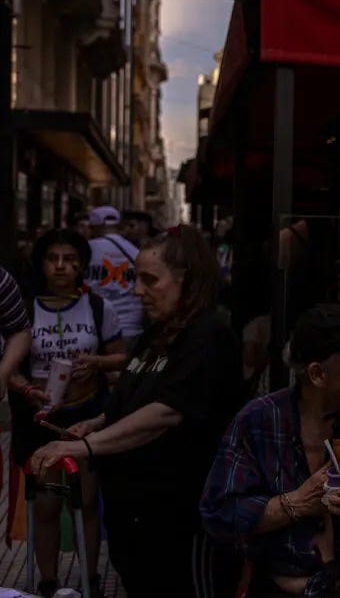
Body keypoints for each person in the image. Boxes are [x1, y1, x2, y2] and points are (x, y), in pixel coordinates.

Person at [31, 225, 244, 598]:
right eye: (135, 279)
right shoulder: (155, 335)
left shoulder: (207, 336)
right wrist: (96, 422)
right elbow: (136, 396)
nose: (137, 291)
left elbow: (166, 413)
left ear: (187, 280)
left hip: (181, 519)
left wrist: (86, 447)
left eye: (149, 280)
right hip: (136, 517)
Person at [202, 304, 340, 597]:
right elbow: (219, 514)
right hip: (288, 588)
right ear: (318, 374)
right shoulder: (260, 420)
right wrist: (297, 502)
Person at [8, 230, 124, 598]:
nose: (61, 266)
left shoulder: (98, 307)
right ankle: (47, 582)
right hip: (39, 420)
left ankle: (90, 579)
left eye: (70, 259)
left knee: (87, 501)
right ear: (41, 263)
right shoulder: (23, 310)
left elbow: (124, 357)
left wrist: (98, 364)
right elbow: (6, 366)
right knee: (45, 504)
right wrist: (28, 389)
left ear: (82, 265)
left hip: (84, 417)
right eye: (52, 258)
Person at [84, 206, 145, 349]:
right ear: (118, 226)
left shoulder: (85, 251)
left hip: (97, 328)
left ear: (94, 227)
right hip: (131, 327)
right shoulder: (135, 252)